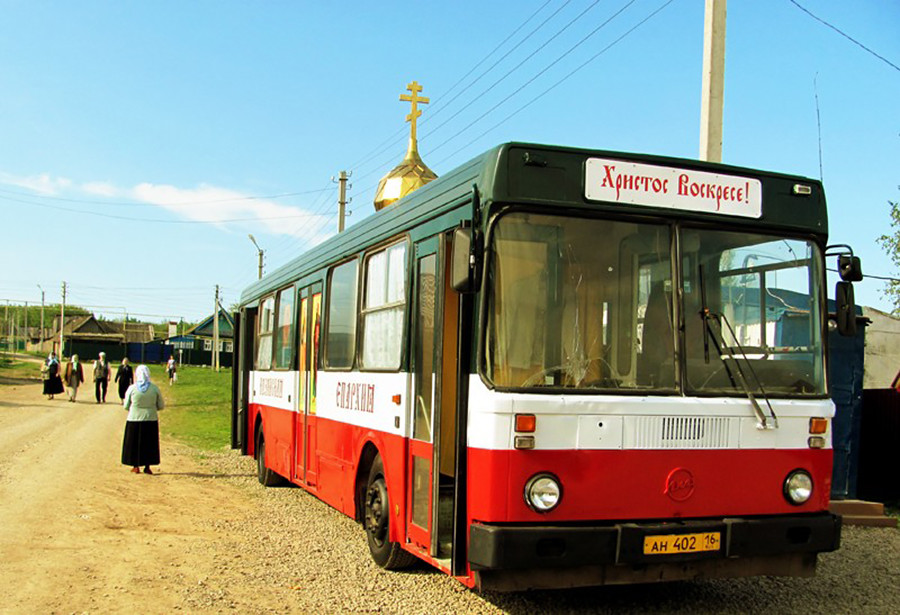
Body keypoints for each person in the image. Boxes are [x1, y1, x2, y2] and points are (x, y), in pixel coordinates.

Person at [121, 365, 165, 475]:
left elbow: (126, 405)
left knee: (134, 443)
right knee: (149, 443)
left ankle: (135, 466)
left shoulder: (132, 388)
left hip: (134, 419)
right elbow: (161, 405)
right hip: (150, 419)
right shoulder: (154, 388)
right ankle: (147, 466)